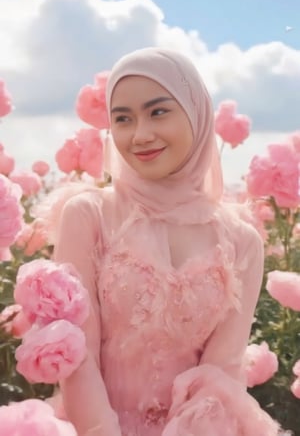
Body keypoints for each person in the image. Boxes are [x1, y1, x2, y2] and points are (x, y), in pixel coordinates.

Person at [53, 47, 280, 436]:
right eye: (123, 119)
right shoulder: (90, 215)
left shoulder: (241, 241)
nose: (140, 135)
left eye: (158, 111)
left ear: (196, 113)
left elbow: (221, 372)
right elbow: (77, 353)